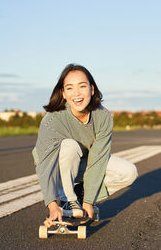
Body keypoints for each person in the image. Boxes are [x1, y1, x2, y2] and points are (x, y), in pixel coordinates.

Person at [32, 64, 138, 228]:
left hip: (85, 163)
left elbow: (98, 160)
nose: (77, 93)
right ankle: (67, 201)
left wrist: (89, 200)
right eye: (70, 88)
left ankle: (79, 196)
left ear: (92, 89)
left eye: (82, 86)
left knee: (129, 172)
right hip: (57, 166)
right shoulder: (52, 120)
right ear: (64, 94)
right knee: (69, 145)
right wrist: (52, 205)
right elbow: (45, 164)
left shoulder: (103, 117)